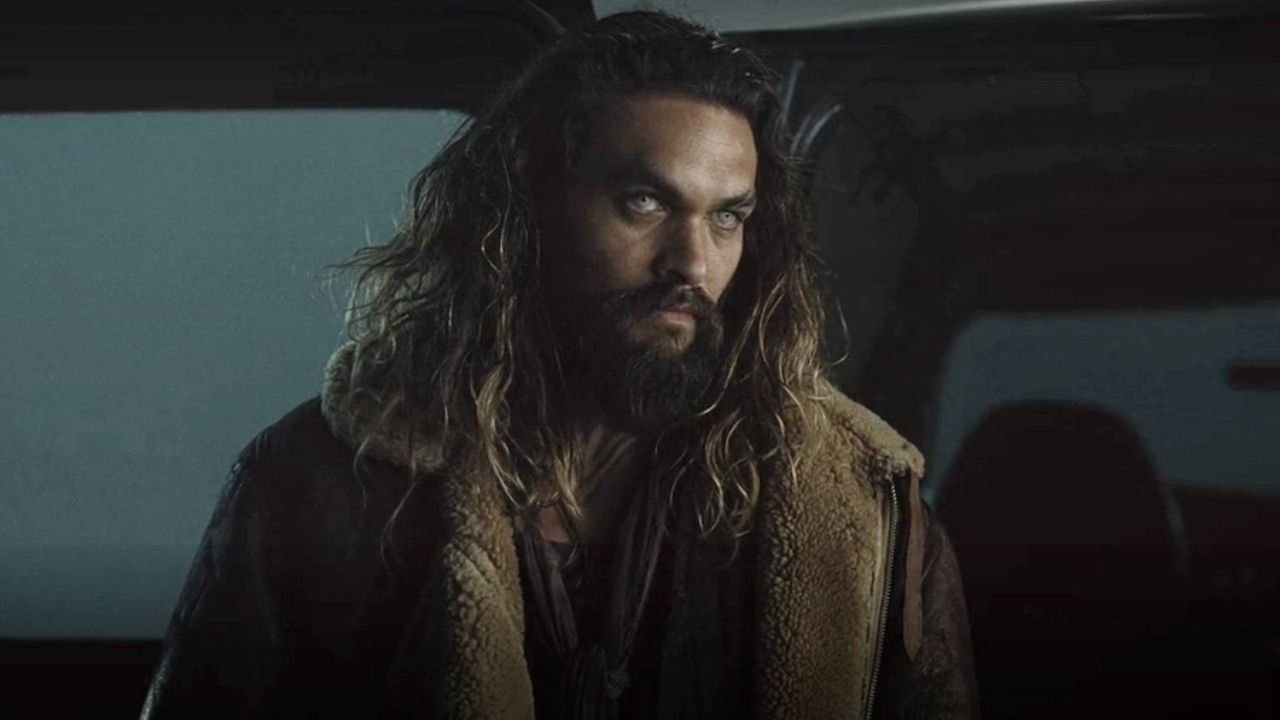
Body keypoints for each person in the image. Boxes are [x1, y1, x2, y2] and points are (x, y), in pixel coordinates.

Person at [140, 11, 978, 720]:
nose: (693, 262)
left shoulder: (865, 509)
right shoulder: (318, 484)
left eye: (727, 218)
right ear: (528, 208)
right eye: (644, 202)